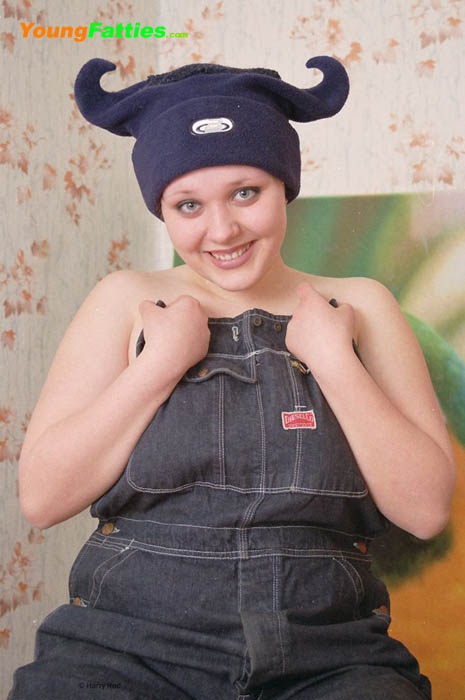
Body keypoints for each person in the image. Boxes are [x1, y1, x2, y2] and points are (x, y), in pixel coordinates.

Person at [9, 55, 455, 700]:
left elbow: (426, 511)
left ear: (284, 186)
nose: (222, 230)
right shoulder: (126, 300)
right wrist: (159, 365)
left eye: (246, 192)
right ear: (163, 210)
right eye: (188, 204)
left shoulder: (362, 305)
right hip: (127, 650)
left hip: (329, 655)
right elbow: (43, 499)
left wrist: (334, 361)